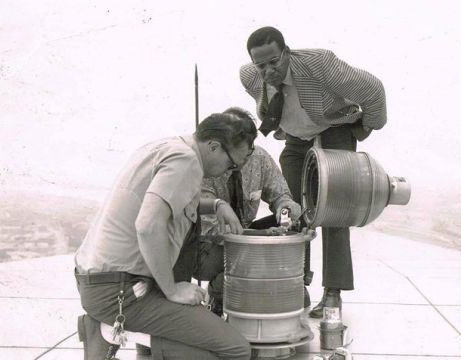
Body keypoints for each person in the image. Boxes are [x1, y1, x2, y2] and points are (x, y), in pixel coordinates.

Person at [74, 113, 255, 360]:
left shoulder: (163, 147)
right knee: (235, 350)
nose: (228, 171)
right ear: (213, 146)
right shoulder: (186, 161)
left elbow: (166, 201)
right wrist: (171, 290)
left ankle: (110, 331)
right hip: (121, 291)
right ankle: (106, 332)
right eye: (231, 164)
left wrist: (215, 204)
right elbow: (148, 225)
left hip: (99, 282)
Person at [240, 26, 387, 318]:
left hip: (334, 132)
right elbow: (269, 104)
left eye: (274, 61)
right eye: (261, 65)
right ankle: (296, 287)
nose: (268, 70)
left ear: (286, 52)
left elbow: (372, 89)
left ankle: (333, 293)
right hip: (296, 140)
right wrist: (283, 130)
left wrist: (367, 126)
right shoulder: (249, 75)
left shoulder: (319, 64)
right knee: (291, 211)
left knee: (335, 210)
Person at [195, 107, 304, 316]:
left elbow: (281, 194)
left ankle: (289, 280)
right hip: (208, 246)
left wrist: (286, 209)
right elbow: (216, 230)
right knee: (252, 264)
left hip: (245, 236)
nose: (242, 158)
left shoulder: (259, 159)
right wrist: (264, 237)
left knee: (298, 224)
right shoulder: (205, 165)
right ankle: (219, 289)